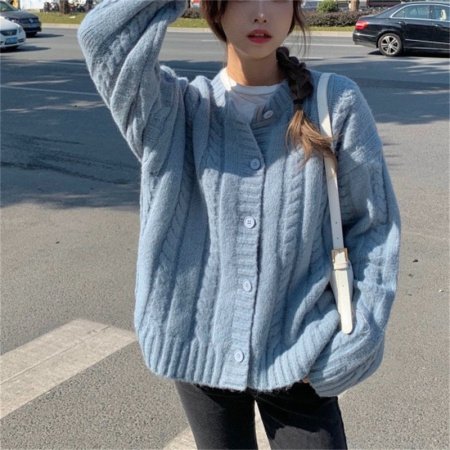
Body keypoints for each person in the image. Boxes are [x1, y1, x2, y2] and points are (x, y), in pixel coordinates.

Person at [78, 1, 401, 448]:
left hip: (302, 354)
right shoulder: (174, 110)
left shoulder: (335, 104)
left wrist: (357, 340)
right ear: (215, 9)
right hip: (200, 350)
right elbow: (102, 37)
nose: (261, 13)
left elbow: (373, 227)